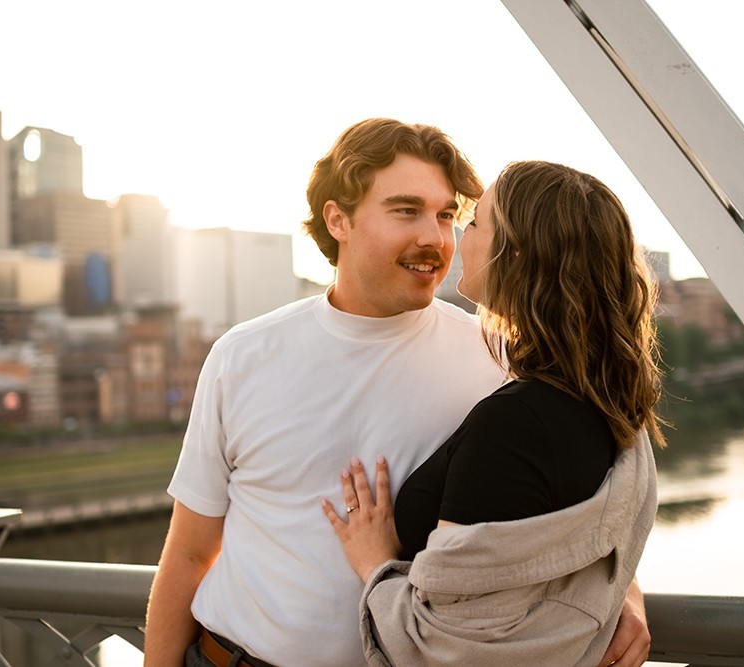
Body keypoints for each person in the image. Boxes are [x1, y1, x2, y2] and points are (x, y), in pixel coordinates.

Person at [144, 120, 651, 667]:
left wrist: (626, 593)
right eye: (406, 211)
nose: (435, 238)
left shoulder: (503, 359)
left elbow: (586, 503)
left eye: (447, 215)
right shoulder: (242, 356)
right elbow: (190, 553)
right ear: (338, 219)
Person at [322, 160, 664, 666]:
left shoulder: (515, 425)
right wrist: (623, 591)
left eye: (474, 221)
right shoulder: (603, 400)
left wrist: (375, 563)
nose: (459, 236)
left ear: (515, 254)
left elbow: (445, 649)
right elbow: (574, 551)